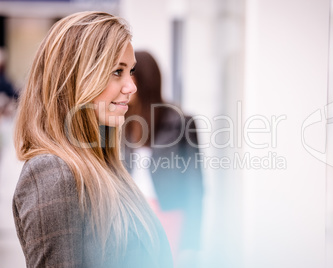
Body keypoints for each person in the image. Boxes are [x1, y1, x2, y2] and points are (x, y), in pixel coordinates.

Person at [12, 11, 173, 268]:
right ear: (75, 78)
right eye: (117, 71)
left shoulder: (105, 166)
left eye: (130, 71)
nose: (131, 87)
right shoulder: (52, 172)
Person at [122, 51, 203, 267]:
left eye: (127, 76)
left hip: (168, 215)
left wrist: (192, 244)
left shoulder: (182, 123)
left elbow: (196, 187)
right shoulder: (121, 121)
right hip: (131, 216)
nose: (123, 85)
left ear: (141, 82)